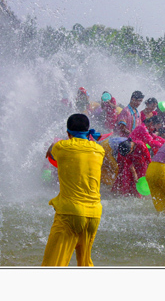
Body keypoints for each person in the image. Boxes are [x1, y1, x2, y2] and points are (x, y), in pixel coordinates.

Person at [42, 113, 105, 266]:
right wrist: (92, 140)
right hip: (94, 215)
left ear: (68, 133)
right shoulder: (99, 150)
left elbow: (51, 151)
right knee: (85, 264)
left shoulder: (61, 147)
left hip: (69, 214)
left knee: (53, 265)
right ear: (88, 130)